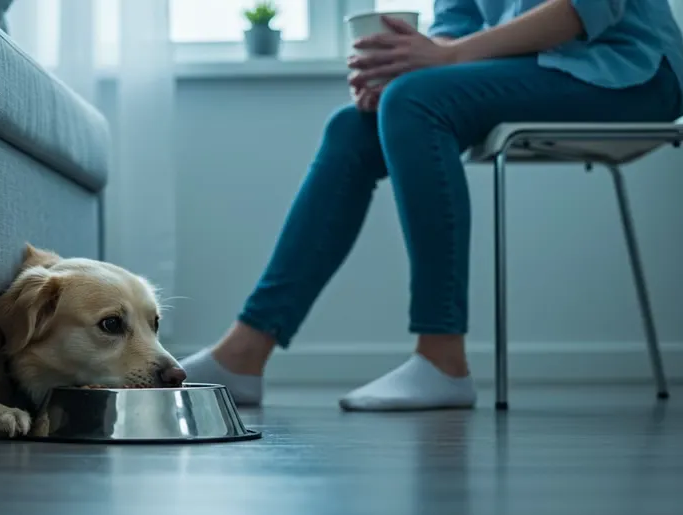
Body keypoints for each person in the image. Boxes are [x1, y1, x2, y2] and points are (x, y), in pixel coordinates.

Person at [180, 0, 683, 410]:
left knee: (416, 100)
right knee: (353, 129)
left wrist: (442, 62)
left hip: (631, 71)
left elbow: (581, 12)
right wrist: (399, 65)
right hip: (532, 70)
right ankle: (243, 354)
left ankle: (442, 358)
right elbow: (453, 29)